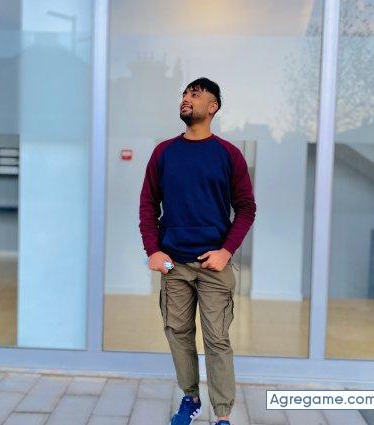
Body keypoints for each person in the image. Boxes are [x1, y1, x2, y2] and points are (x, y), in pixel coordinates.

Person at [139, 77, 256, 425]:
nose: (186, 98)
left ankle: (222, 415)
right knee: (178, 334)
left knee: (217, 339)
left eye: (195, 94)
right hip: (174, 264)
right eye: (184, 94)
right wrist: (153, 250)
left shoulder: (228, 155)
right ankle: (190, 398)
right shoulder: (164, 152)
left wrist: (226, 251)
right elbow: (148, 205)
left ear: (213, 106)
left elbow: (246, 208)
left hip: (213, 265)